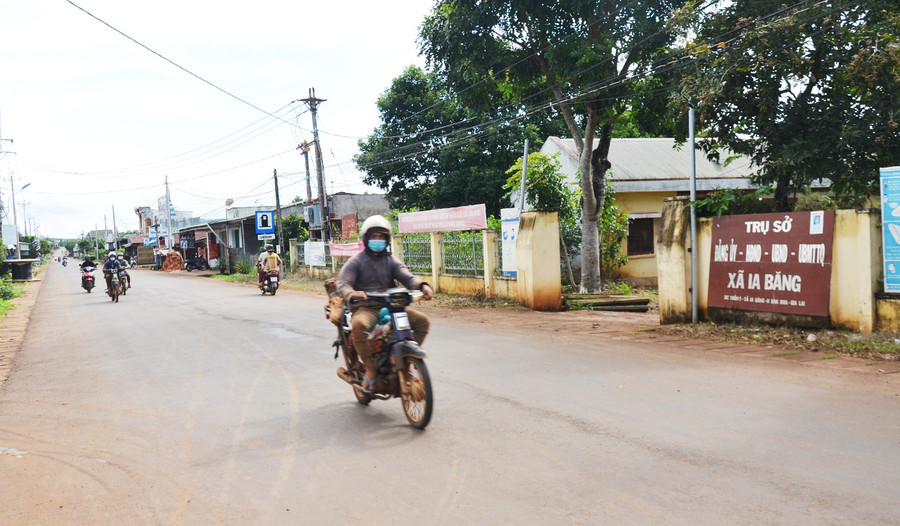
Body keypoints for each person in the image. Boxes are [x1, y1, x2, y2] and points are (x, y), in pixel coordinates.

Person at [337, 215, 434, 393]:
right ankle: (371, 368)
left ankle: (404, 357)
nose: (378, 240)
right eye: (374, 237)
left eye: (381, 237)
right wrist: (352, 293)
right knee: (358, 325)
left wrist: (422, 285)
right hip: (367, 307)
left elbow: (407, 276)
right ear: (366, 238)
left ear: (387, 240)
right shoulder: (356, 261)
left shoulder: (391, 260)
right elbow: (343, 283)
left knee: (423, 322)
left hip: (393, 307)